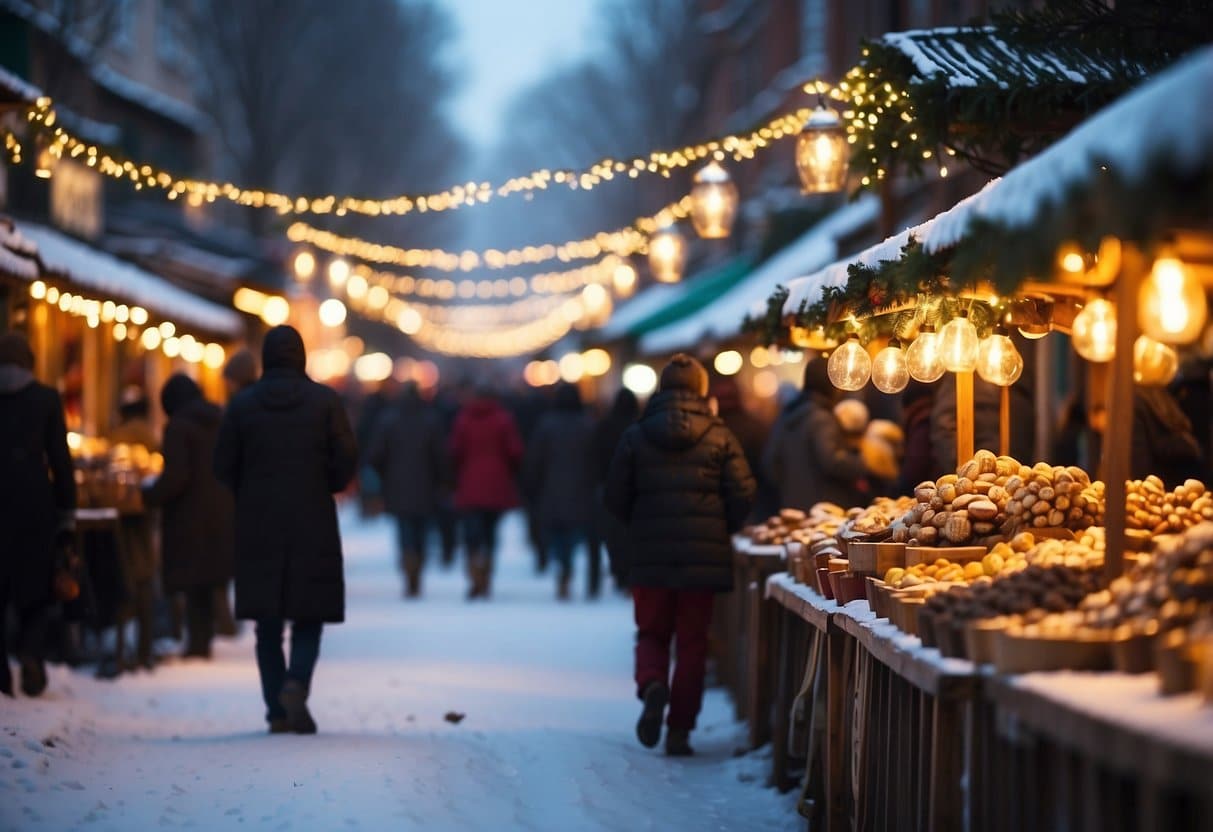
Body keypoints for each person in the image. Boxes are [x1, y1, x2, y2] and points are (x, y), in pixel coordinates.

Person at [605, 354, 756, 756]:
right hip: (702, 557)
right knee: (693, 642)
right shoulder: (720, 435)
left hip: (650, 554)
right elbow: (743, 492)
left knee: (652, 633)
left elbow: (614, 496)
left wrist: (638, 524)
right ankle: (679, 729)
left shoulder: (635, 435)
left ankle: (653, 683)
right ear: (701, 390)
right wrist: (721, 525)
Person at [213, 326, 358, 734]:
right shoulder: (325, 402)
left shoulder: (242, 405)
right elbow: (346, 456)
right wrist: (326, 482)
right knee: (308, 616)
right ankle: (296, 684)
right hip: (312, 518)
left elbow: (222, 464)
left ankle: (276, 711)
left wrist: (248, 487)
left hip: (259, 521)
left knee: (267, 624)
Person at [0, 333, 76, 697]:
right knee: (37, 584)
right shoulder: (45, 399)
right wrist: (67, 509)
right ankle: (31, 651)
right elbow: (60, 459)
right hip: (34, 502)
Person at [141, 374, 234, 660]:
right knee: (207, 580)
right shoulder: (221, 420)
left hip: (189, 515)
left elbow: (176, 477)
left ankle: (197, 643)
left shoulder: (178, 428)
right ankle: (202, 640)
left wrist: (150, 495)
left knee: (194, 583)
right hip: (221, 509)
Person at [367, 382, 448, 598]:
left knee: (404, 530)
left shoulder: (388, 420)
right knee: (421, 530)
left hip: (397, 485)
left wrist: (384, 476)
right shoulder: (431, 420)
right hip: (426, 486)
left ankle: (408, 565)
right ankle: (417, 568)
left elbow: (375, 455)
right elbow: (441, 456)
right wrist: (443, 481)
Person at [762, 356, 871, 511]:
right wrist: (862, 462)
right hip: (826, 508)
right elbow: (834, 462)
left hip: (793, 506)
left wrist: (792, 487)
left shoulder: (787, 414)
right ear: (829, 384)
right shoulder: (822, 418)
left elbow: (770, 464)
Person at [448, 386, 524, 599]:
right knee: (490, 533)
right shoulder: (503, 419)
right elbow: (515, 451)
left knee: (471, 534)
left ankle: (474, 574)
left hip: (470, 484)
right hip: (496, 484)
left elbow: (455, 451)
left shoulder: (464, 419)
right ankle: (487, 574)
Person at [522, 382, 594, 600]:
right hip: (578, 489)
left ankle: (562, 566)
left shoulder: (546, 425)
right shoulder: (587, 425)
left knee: (556, 532)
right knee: (572, 533)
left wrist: (532, 485)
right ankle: (566, 565)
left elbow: (535, 459)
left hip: (551, 488)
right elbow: (594, 461)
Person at [108, 386, 160, 672]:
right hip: (142, 513)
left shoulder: (117, 436)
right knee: (145, 578)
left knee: (125, 574)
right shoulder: (148, 436)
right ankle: (144, 648)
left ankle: (122, 647)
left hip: (119, 514)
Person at [589, 388, 640, 593]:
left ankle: (618, 571)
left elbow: (594, 457)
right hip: (634, 488)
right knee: (630, 534)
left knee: (612, 534)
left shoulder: (604, 426)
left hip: (608, 486)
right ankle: (628, 574)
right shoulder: (639, 428)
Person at [897, 380, 938, 496]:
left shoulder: (922, 423)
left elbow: (915, 468)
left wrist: (896, 491)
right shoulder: (928, 417)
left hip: (926, 493)